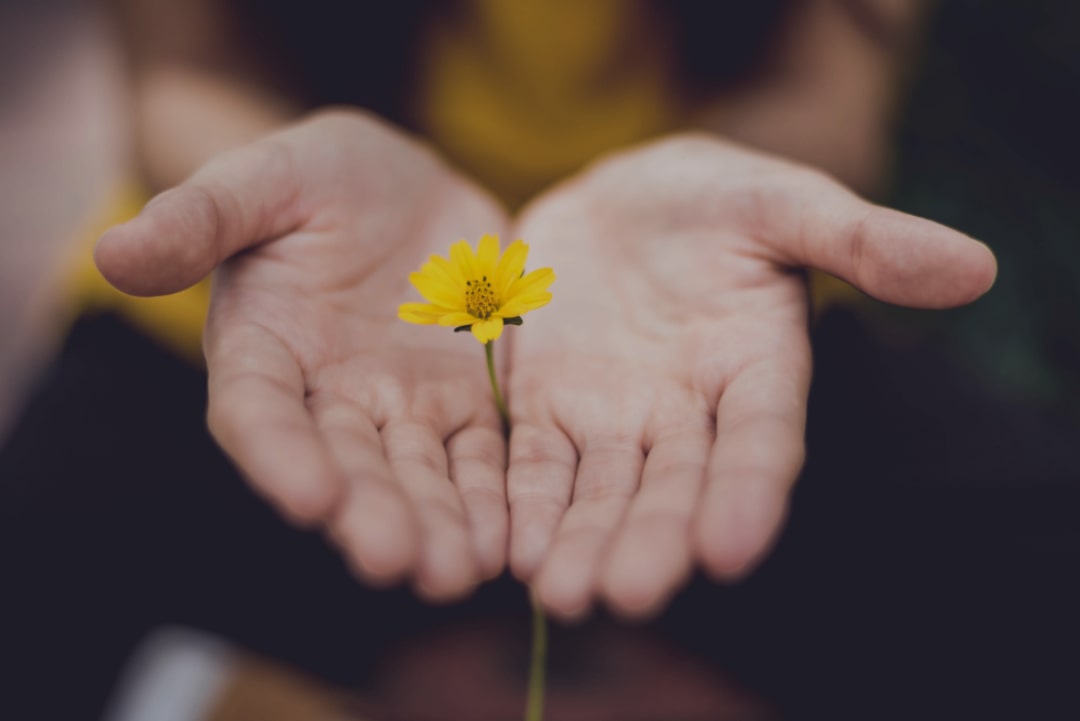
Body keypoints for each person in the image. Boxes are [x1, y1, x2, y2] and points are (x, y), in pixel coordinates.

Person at [5, 1, 1078, 717]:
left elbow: (834, 79)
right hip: (301, 308)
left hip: (695, 315)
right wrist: (261, 179)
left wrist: (723, 181)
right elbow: (182, 67)